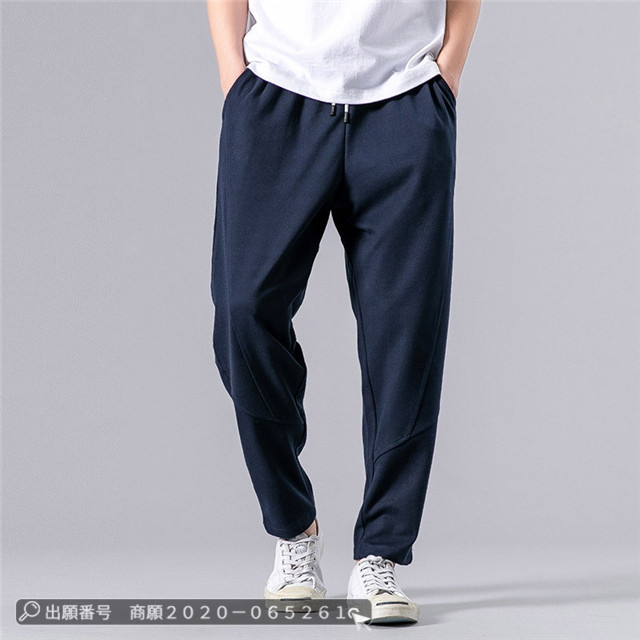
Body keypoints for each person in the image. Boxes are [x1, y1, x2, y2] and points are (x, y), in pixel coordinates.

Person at [206, 0, 481, 625]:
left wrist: (447, 74)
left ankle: (380, 554)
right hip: (275, 96)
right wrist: (234, 78)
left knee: (406, 335)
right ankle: (293, 529)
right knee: (243, 312)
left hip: (406, 101)